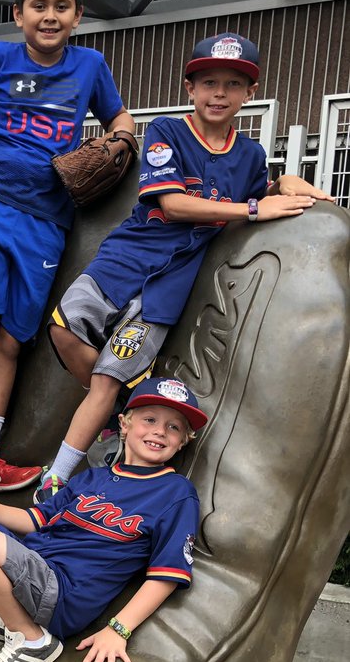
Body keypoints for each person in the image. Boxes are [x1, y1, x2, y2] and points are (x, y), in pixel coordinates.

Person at [37, 33, 334, 498]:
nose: (220, 93)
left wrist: (284, 183)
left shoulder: (250, 153)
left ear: (249, 94)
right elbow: (173, 205)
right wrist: (254, 209)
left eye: (234, 84)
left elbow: (260, 189)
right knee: (63, 328)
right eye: (209, 82)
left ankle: (56, 476)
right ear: (189, 88)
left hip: (170, 287)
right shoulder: (167, 131)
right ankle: (121, 413)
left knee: (105, 377)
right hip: (125, 258)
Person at [0, 0, 135, 497]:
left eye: (61, 7)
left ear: (78, 14)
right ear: (18, 13)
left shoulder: (90, 65)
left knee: (10, 343)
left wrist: (122, 141)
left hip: (49, 220)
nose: (49, 16)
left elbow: (119, 119)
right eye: (38, 6)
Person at [0, 377, 206, 662]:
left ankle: (32, 640)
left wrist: (119, 629)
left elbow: (167, 573)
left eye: (173, 427)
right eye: (150, 419)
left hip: (63, 592)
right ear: (125, 425)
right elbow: (35, 519)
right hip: (33, 564)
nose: (159, 431)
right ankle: (4, 617)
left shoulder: (176, 493)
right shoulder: (92, 478)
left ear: (183, 441)